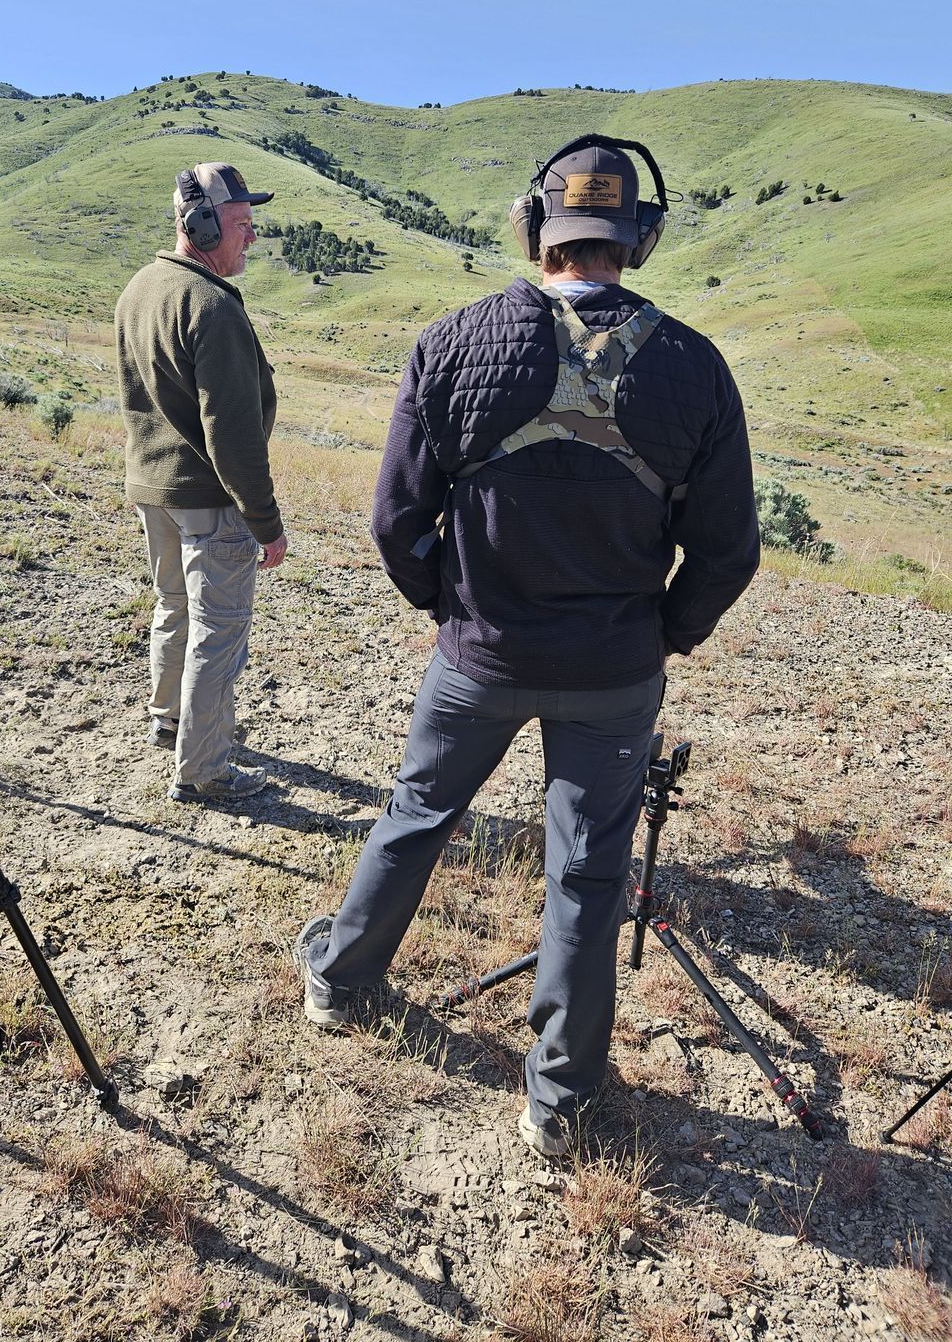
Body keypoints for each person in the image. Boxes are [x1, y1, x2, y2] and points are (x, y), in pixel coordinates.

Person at [294, 136, 759, 1159]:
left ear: (533, 230)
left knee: (417, 815)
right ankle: (558, 1101)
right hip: (614, 675)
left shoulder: (453, 342)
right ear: (639, 237)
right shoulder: (695, 367)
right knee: (588, 877)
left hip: (478, 657)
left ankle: (341, 979)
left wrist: (451, 610)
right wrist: (663, 635)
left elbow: (392, 522)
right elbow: (730, 550)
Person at [114, 162, 288, 802]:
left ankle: (169, 724)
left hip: (154, 490)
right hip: (210, 497)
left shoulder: (141, 286)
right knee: (219, 632)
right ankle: (205, 769)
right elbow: (232, 435)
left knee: (174, 611)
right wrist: (265, 523)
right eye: (241, 224)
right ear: (201, 225)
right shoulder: (211, 306)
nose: (250, 237)